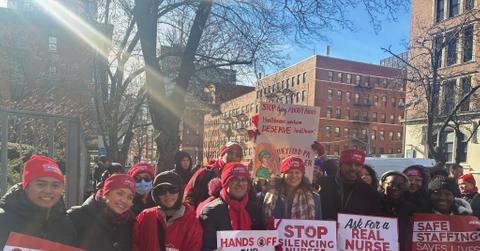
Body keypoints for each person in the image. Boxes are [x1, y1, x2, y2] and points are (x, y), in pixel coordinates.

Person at [0, 155, 76, 247]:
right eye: (41, 184)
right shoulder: (3, 220)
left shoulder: (65, 223)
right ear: (26, 186)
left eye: (55, 185)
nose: (48, 191)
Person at [199, 162, 265, 251]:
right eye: (235, 180)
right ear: (226, 183)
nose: (240, 184)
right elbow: (205, 246)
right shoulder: (211, 211)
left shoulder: (255, 209)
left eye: (243, 180)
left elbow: (263, 242)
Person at [132, 170, 202, 251]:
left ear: (180, 191)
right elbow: (135, 244)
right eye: (161, 191)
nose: (167, 194)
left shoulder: (192, 223)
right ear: (156, 195)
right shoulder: (145, 217)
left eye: (172, 189)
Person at [68, 174, 136, 251]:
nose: (124, 200)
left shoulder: (130, 224)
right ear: (106, 193)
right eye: (120, 193)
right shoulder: (76, 217)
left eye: (130, 197)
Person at [318, 149, 382, 220]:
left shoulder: (370, 192)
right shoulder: (322, 184)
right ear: (340, 165)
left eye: (357, 165)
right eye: (348, 164)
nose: (353, 168)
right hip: (326, 230)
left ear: (362, 167)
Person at [183, 142, 243, 209]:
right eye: (231, 153)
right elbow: (189, 196)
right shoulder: (205, 172)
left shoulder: (242, 177)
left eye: (238, 155)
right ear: (222, 154)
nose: (234, 156)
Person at [263, 156, 322, 224]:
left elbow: (318, 225)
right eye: (290, 172)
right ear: (283, 174)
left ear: (302, 175)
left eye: (297, 172)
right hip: (274, 234)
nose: (294, 176)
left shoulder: (315, 198)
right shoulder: (267, 194)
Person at [378, 171, 418, 251]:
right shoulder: (373, 203)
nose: (395, 188)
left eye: (400, 185)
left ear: (405, 187)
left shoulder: (410, 208)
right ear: (382, 185)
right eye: (390, 184)